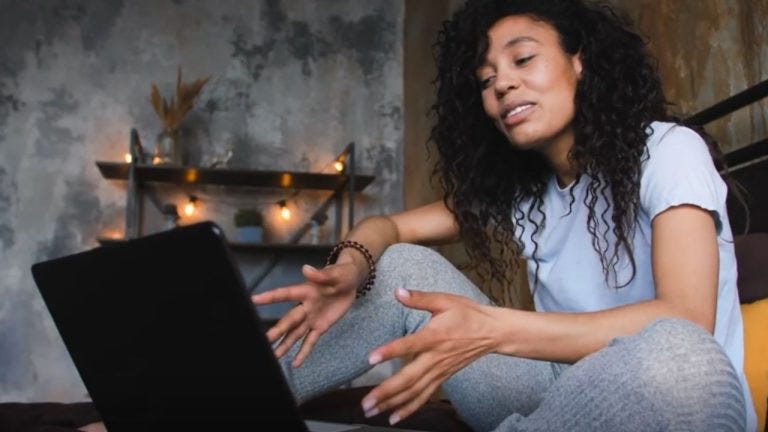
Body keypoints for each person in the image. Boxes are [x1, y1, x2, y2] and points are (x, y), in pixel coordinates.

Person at [252, 0, 757, 430]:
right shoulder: (526, 194)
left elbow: (689, 317)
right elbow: (390, 228)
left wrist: (493, 329)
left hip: (670, 396)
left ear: (579, 61)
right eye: (487, 79)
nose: (503, 86)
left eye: (523, 59)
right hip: (549, 391)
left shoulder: (669, 149)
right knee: (400, 262)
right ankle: (233, 403)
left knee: (678, 353)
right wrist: (351, 265)